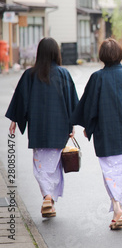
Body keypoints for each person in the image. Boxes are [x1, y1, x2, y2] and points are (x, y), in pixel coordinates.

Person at [71, 38, 122, 230]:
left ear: (102, 56)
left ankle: (117, 208)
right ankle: (118, 208)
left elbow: (89, 107)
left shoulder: (97, 78)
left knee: (109, 172)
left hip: (104, 134)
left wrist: (88, 127)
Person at [5, 37, 79, 218]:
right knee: (54, 166)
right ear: (56, 53)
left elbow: (20, 101)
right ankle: (49, 198)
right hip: (59, 129)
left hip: (38, 130)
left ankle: (48, 198)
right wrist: (72, 124)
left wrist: (14, 119)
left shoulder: (30, 75)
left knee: (40, 165)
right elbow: (72, 103)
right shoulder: (64, 74)